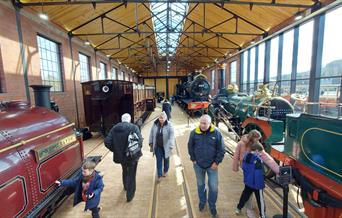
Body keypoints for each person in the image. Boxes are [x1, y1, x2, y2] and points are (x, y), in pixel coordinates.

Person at [232, 130, 279, 218]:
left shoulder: (254, 149)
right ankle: (258, 213)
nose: (258, 141)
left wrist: (278, 170)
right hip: (254, 177)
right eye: (257, 139)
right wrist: (235, 167)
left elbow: (268, 159)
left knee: (246, 193)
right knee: (257, 197)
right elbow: (236, 155)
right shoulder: (244, 144)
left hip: (248, 175)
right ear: (252, 138)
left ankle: (240, 208)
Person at [188, 114, 225, 217]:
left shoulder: (216, 133)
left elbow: (221, 149)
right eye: (201, 123)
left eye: (205, 123)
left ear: (210, 123)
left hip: (212, 166)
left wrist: (216, 162)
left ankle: (212, 205)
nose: (202, 125)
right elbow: (190, 146)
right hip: (198, 165)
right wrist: (193, 159)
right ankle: (202, 202)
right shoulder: (194, 133)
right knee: (200, 185)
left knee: (213, 187)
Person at [104, 113, 143, 202]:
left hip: (121, 157)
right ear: (129, 120)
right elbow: (140, 142)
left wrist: (116, 150)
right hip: (132, 156)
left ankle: (125, 186)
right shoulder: (134, 128)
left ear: (122, 120)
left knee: (125, 170)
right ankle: (130, 196)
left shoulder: (115, 128)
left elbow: (107, 142)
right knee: (132, 175)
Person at [149, 111, 175, 182]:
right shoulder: (155, 124)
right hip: (158, 146)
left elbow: (172, 135)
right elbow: (151, 133)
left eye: (163, 118)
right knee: (159, 160)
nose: (161, 119)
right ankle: (159, 175)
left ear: (166, 118)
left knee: (166, 159)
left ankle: (166, 170)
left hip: (166, 146)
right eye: (160, 118)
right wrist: (150, 142)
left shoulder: (169, 125)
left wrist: (171, 144)